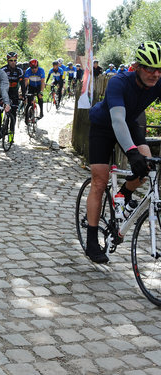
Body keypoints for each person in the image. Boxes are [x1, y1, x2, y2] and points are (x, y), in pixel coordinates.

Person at [85, 41, 161, 263]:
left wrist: (138, 155)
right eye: (149, 68)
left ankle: (124, 194)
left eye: (160, 69)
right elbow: (116, 120)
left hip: (129, 124)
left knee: (147, 167)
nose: (155, 74)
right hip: (103, 126)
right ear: (137, 66)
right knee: (99, 181)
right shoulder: (119, 82)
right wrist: (131, 152)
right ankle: (91, 240)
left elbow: (125, 123)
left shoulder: (158, 82)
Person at [0, 51, 26, 139]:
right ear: (8, 60)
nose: (13, 62)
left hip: (14, 93)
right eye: (11, 60)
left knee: (13, 114)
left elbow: (22, 84)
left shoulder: (19, 71)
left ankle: (11, 135)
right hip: (4, 92)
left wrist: (24, 95)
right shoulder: (3, 70)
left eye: (15, 60)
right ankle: (1, 126)